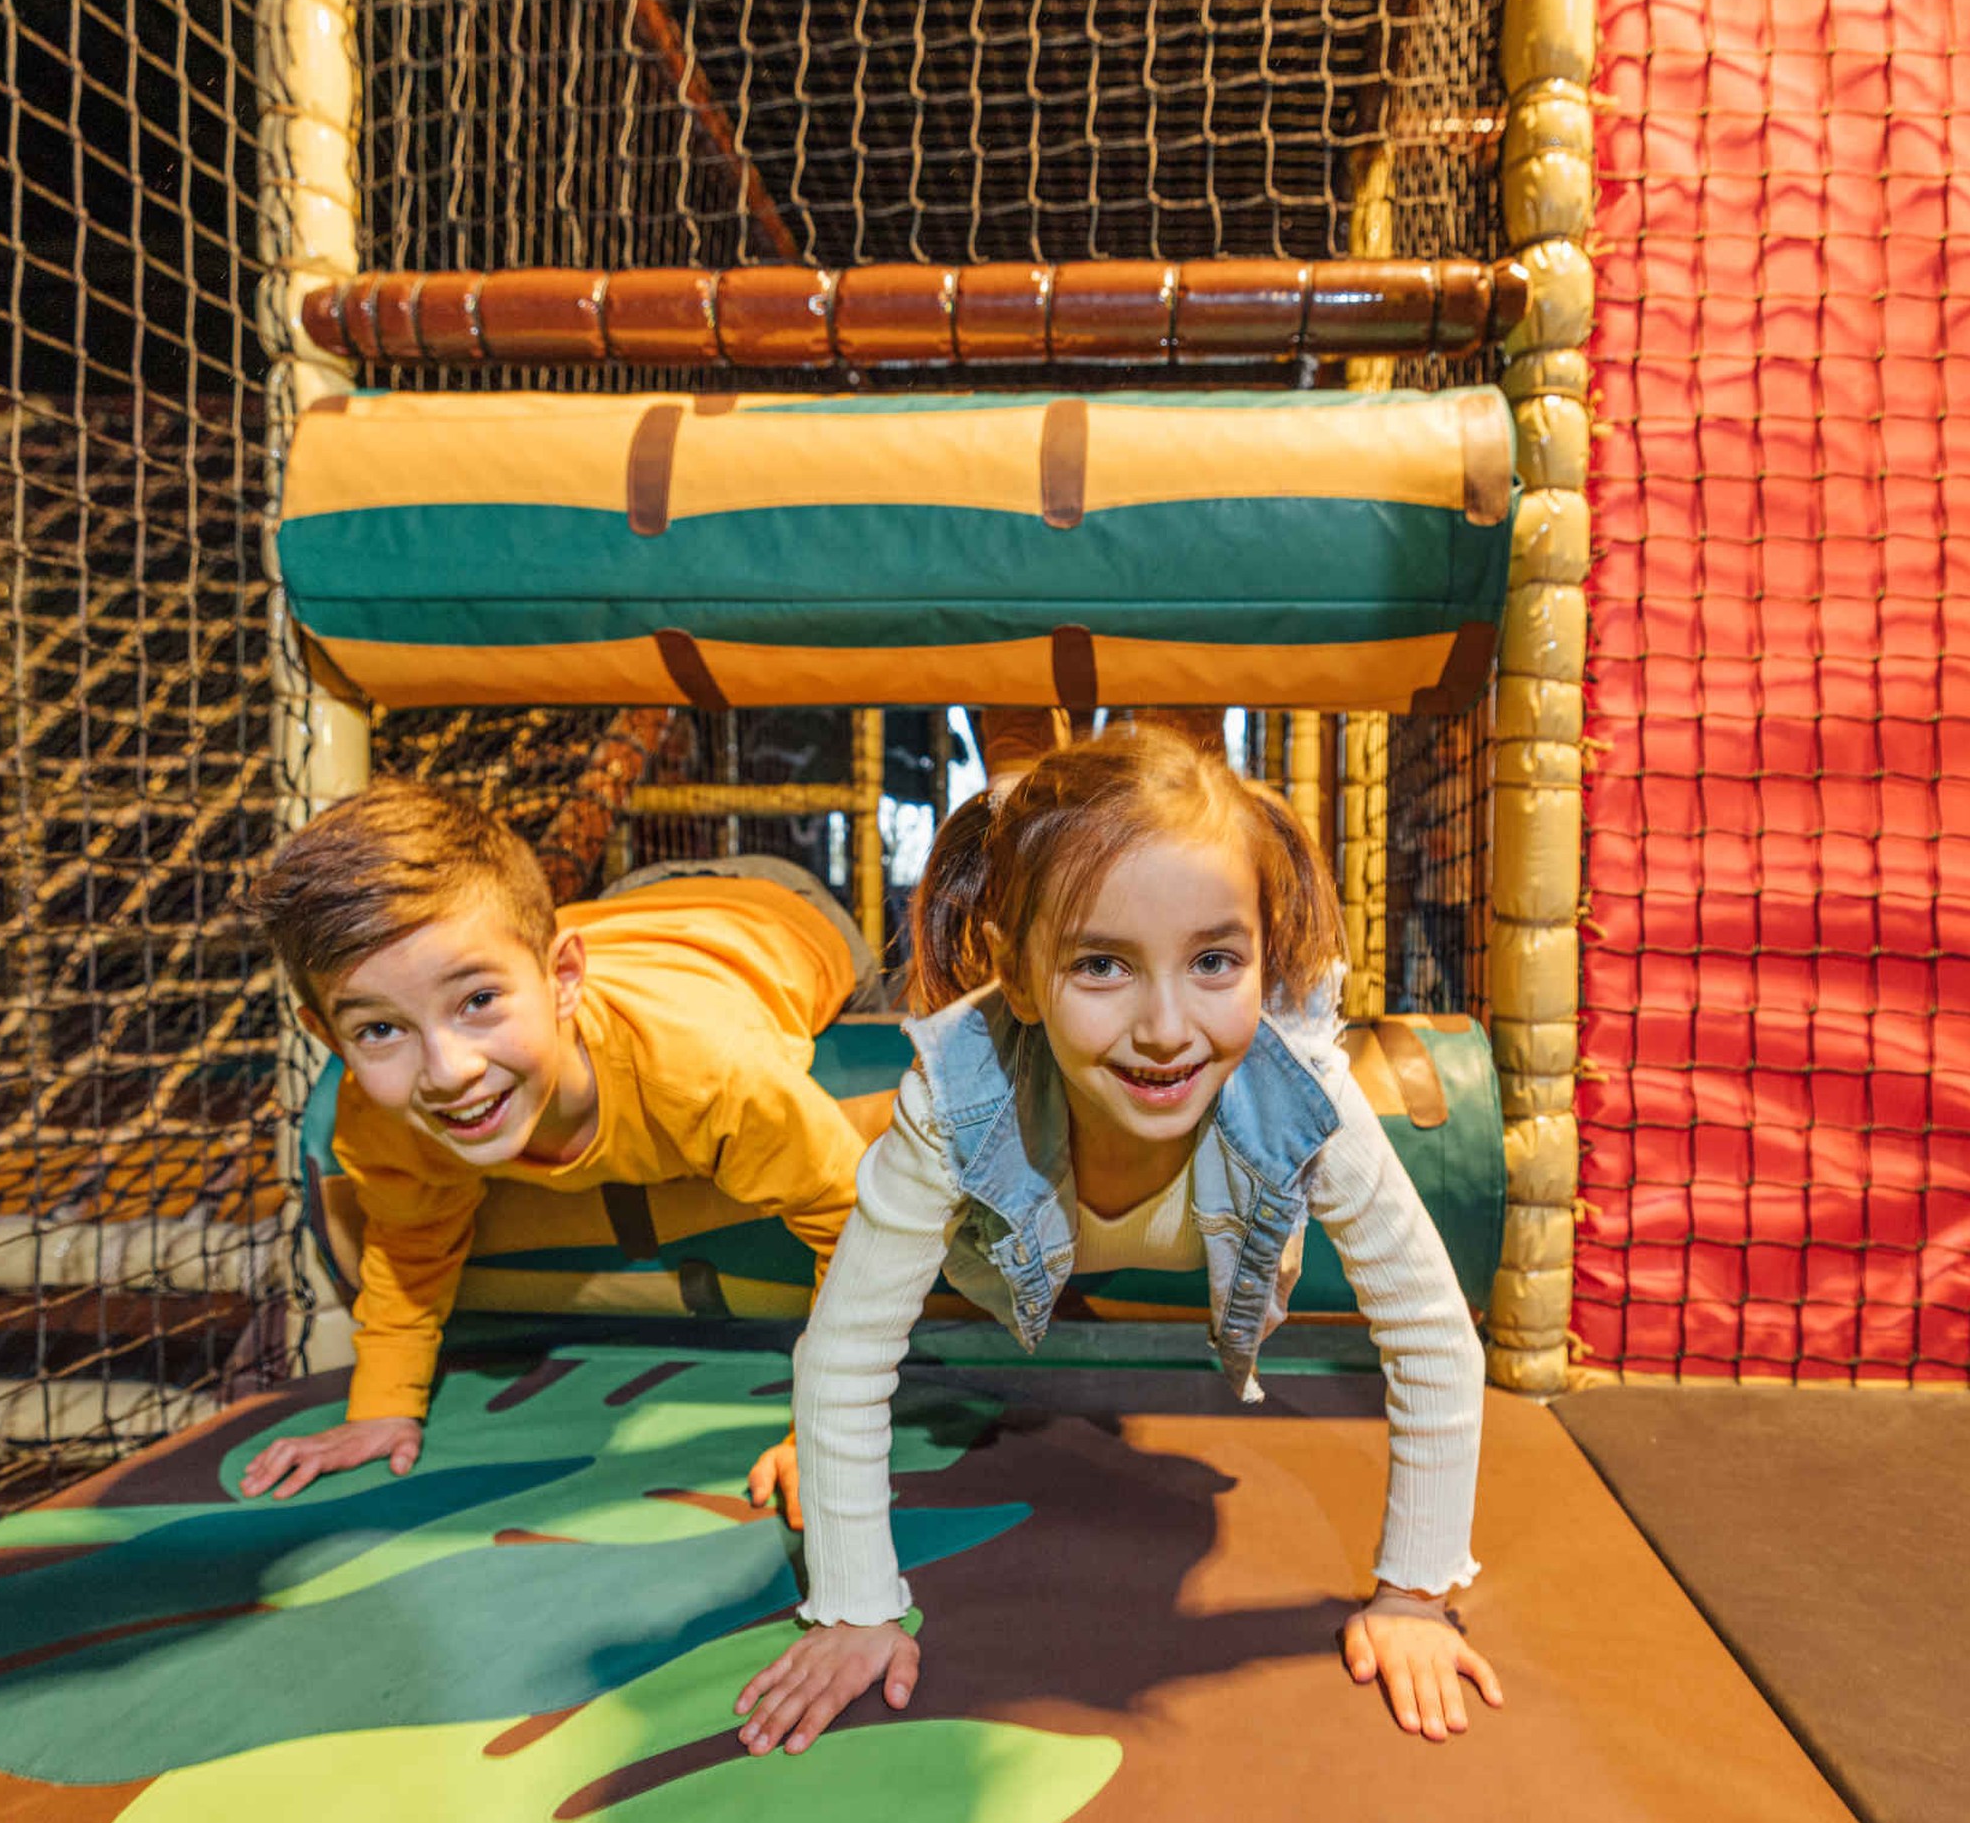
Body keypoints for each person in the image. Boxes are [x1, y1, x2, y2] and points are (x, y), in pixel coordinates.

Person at [735, 723, 1500, 1753]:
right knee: (871, 1147)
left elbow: (1430, 1331)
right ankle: (1021, 811)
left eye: (1213, 960)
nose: (1165, 1026)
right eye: (1102, 964)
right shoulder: (959, 1093)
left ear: (1260, 956)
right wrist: (854, 1604)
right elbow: (845, 1352)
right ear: (1014, 975)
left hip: (1216, 1228)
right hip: (994, 1233)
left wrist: (1411, 1593)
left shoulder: (1296, 1088)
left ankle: (1048, 839)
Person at [238, 779, 873, 1517]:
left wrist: (832, 1433)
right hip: (627, 910)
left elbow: (856, 1222)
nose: (450, 1072)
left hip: (780, 915)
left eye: (478, 1001)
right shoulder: (382, 1117)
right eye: (381, 1029)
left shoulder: (702, 1071)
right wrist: (382, 1405)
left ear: (563, 979)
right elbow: (410, 1242)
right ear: (330, 1040)